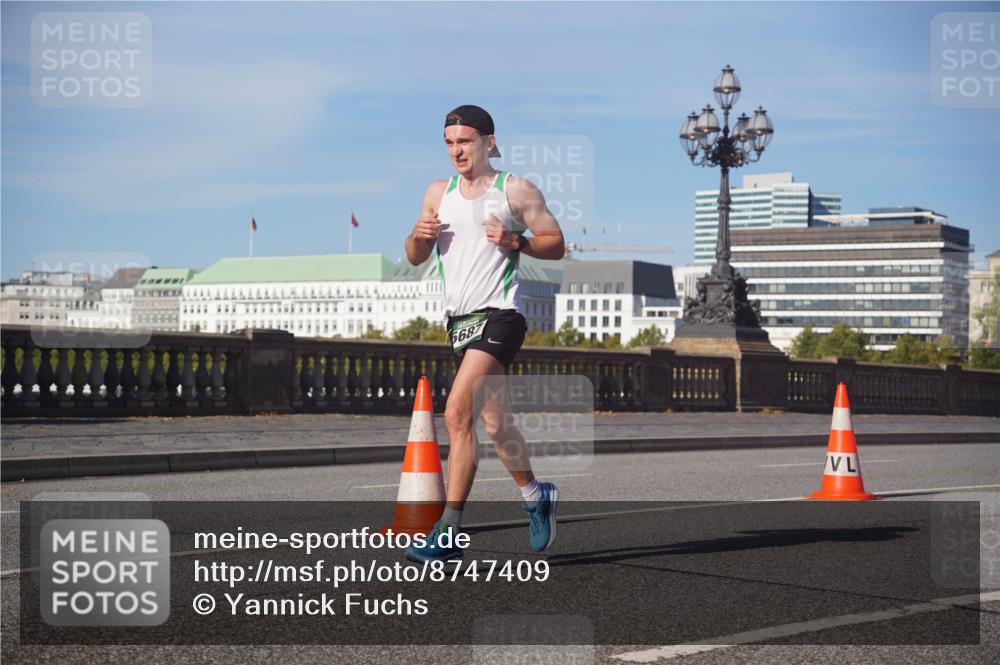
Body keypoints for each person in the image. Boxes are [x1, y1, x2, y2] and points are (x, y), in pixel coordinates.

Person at [403, 105, 565, 562]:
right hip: (460, 323)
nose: (457, 151)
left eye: (465, 141)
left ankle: (448, 533)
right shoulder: (438, 193)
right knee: (495, 424)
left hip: (501, 316)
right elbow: (415, 256)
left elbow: (556, 243)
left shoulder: (515, 189)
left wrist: (518, 241)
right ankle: (535, 495)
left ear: (488, 142)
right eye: (449, 143)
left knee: (457, 414)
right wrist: (418, 235)